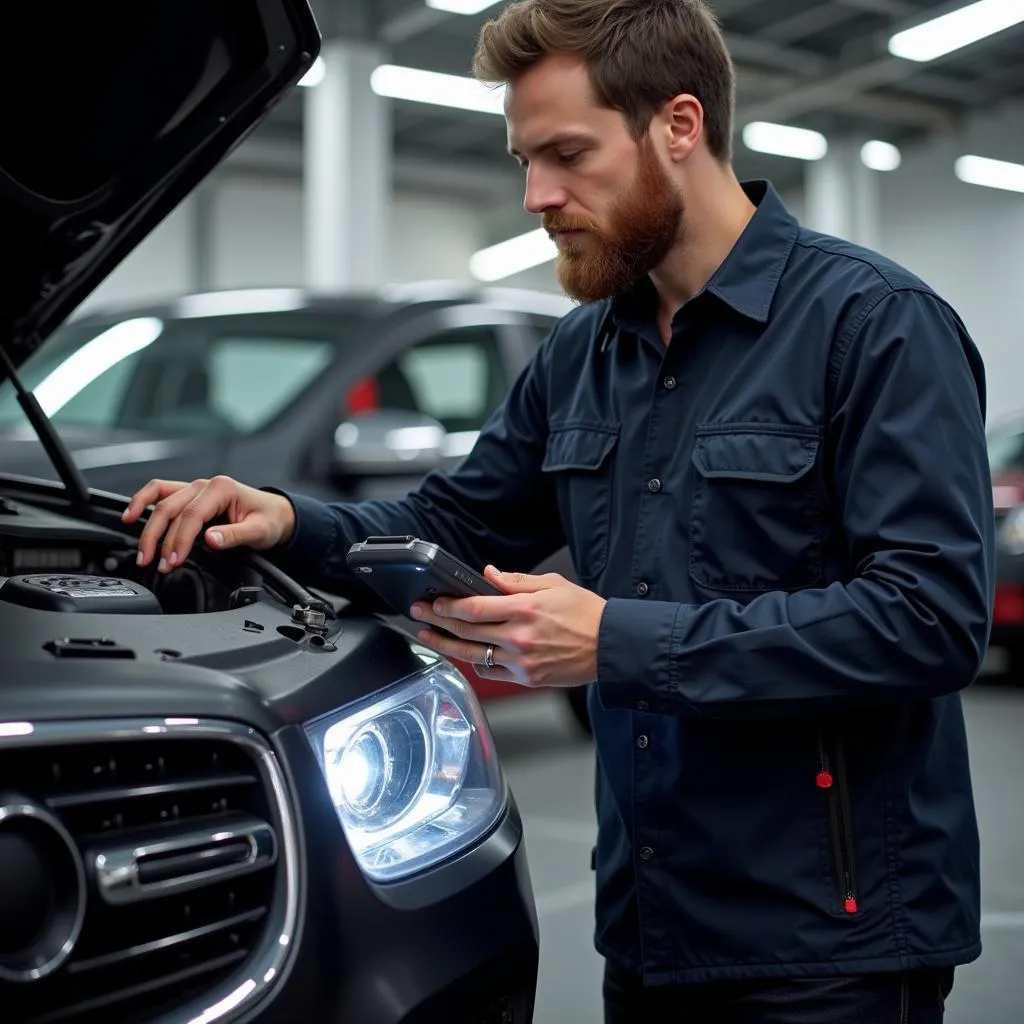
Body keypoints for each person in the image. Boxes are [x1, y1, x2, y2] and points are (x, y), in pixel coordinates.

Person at [123, 0, 995, 1020]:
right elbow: (454, 520)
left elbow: (928, 618)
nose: (537, 195)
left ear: (677, 126)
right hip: (649, 921)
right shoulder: (582, 357)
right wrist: (282, 517)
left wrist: (613, 640)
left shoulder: (875, 327)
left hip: (828, 944)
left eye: (567, 154)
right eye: (524, 159)